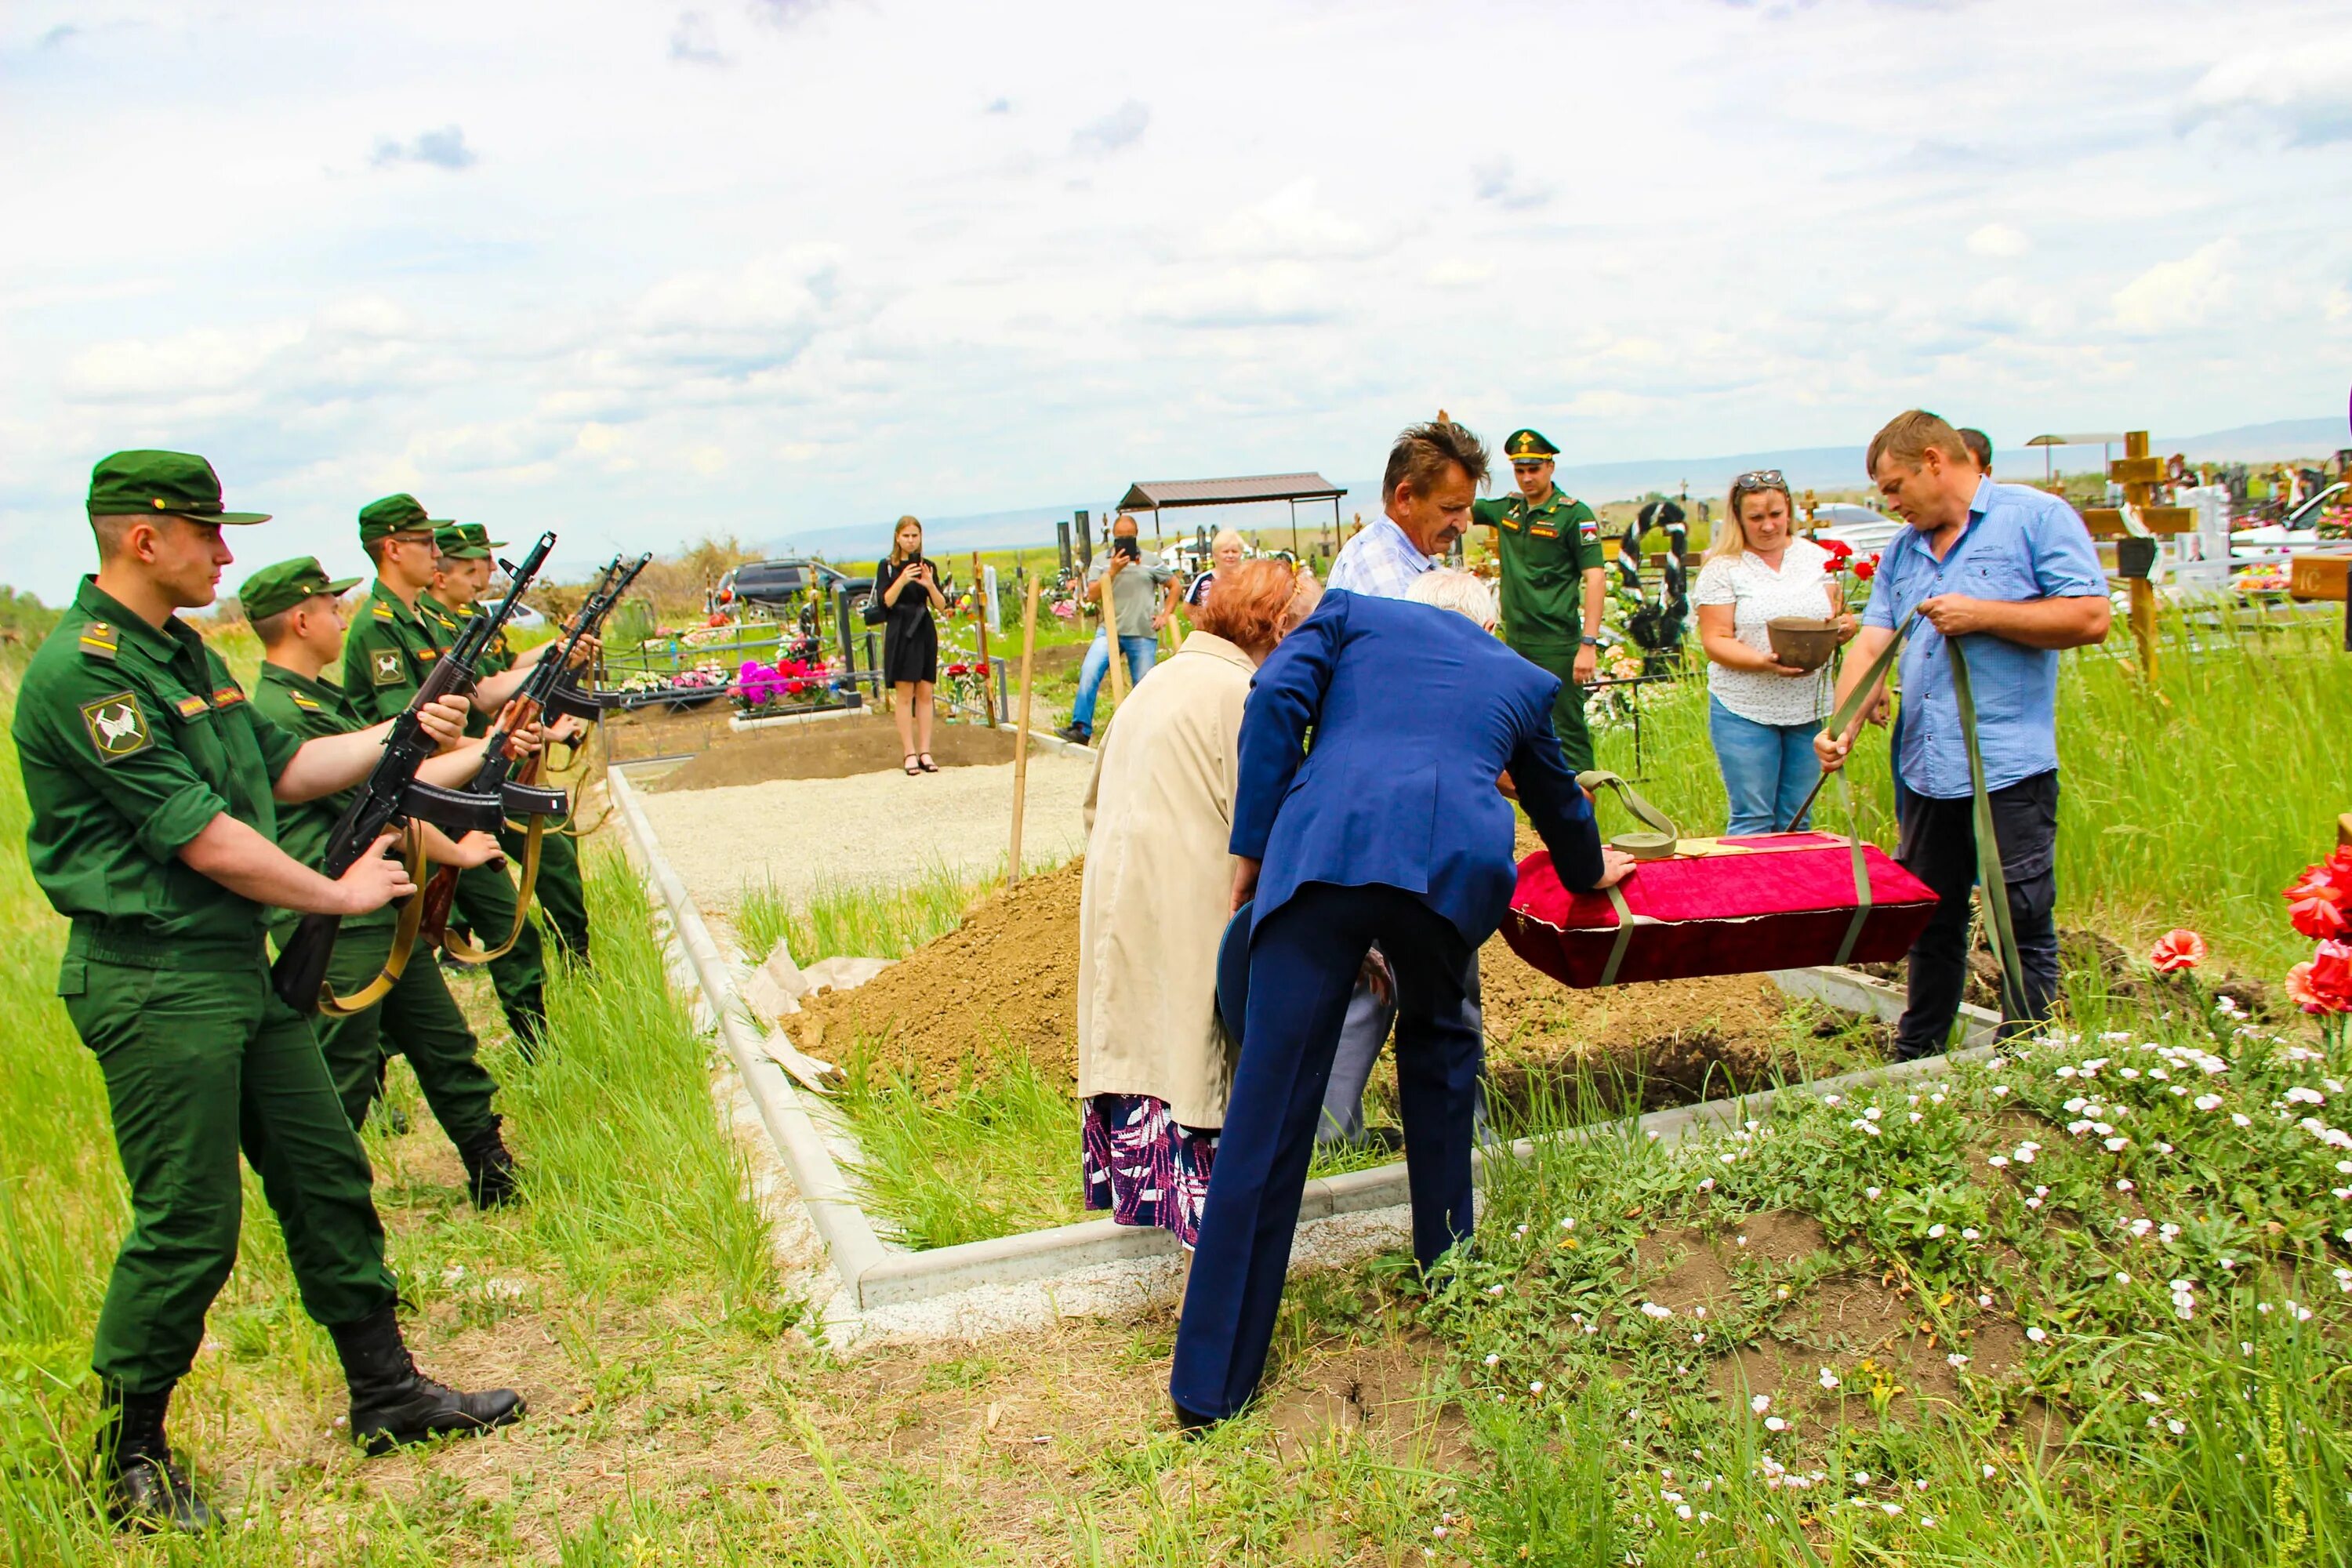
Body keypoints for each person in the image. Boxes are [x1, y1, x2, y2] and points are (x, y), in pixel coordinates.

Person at [14, 453, 526, 1534]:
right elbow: (204, 836)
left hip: (232, 973)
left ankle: (385, 1390)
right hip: (154, 980)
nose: (228, 554)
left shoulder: (185, 654)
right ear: (143, 540)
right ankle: (129, 1458)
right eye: (208, 533)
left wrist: (402, 740)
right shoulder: (84, 674)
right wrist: (334, 895)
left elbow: (286, 771)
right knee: (190, 1226)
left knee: (326, 1172)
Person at [1168, 570, 1634, 1428]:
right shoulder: (1521, 676)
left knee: (1269, 1111)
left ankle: (1210, 1388)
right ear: (1484, 618)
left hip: (1325, 855)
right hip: (1446, 867)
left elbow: (1272, 702)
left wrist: (1254, 850)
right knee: (1442, 1048)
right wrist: (1588, 869)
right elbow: (1558, 798)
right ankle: (1447, 1267)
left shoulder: (1349, 613)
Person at [1817, 410, 2109, 1059]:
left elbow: (2090, 616)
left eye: (1895, 487)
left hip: (2006, 766)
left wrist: (1981, 614)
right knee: (1930, 914)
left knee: (2020, 917)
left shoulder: (2035, 518)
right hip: (1925, 764)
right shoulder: (1904, 549)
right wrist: (1842, 724)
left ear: (1933, 461)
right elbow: (1871, 643)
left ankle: (2026, 1051)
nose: (1890, 504)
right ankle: (1919, 1051)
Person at [242, 556, 527, 1207]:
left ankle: (493, 1172)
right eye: (332, 607)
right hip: (337, 916)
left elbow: (392, 804)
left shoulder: (318, 701)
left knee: (445, 1044)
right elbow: (379, 798)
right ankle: (322, 1209)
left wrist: (485, 751)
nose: (342, 617)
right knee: (342, 1072)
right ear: (301, 618)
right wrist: (476, 757)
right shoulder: (281, 713)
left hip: (378, 902)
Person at [1076, 559, 1319, 1250]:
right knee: (1197, 1076)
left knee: (1148, 1062)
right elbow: (1275, 829)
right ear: (1279, 629)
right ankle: (1212, 1286)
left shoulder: (1157, 683)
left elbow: (1091, 809)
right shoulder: (1245, 695)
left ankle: (1194, 1260)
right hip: (1191, 911)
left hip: (1125, 910)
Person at [342, 495, 563, 1051]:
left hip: (448, 789)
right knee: (387, 965)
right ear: (392, 549)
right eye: (426, 542)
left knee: (478, 938)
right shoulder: (378, 628)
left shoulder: (417, 619)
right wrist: (487, 746)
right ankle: (371, 1084)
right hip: (407, 808)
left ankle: (538, 1049)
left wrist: (497, 743)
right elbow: (407, 733)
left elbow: (469, 702)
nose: (437, 553)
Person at [422, 524, 593, 966]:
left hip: (485, 759)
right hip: (462, 771)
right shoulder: (430, 625)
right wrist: (556, 656)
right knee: (531, 866)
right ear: (443, 576)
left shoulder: (466, 616)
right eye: (473, 569)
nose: (484, 578)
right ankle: (457, 937)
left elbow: (505, 667)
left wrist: (556, 649)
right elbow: (478, 693)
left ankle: (574, 955)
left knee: (555, 846)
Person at [1693, 470, 1856, 835]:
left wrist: (1844, 627)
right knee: (1754, 818)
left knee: (1798, 817)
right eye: (1756, 518)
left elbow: (1833, 616)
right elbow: (1715, 639)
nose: (1768, 526)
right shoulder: (1724, 568)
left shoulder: (1816, 559)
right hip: (1745, 708)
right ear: (1738, 520)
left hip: (1808, 706)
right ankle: (1751, 890)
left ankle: (1795, 892)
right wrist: (1763, 662)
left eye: (1776, 515)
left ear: (1789, 512)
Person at [1470, 428, 1609, 771]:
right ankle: (1541, 814)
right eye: (1520, 470)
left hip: (1557, 643)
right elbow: (1458, 507)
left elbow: (1595, 577)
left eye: (1534, 469)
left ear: (1550, 468)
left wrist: (1588, 643)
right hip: (1516, 642)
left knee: (1567, 729)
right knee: (1522, 728)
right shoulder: (1508, 510)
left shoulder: (1574, 515)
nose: (1527, 477)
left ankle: (1583, 812)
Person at [1057, 514, 1180, 745]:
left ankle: (1146, 735)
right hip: (1110, 629)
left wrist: (1166, 615)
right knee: (1090, 671)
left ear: (1136, 536)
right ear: (1113, 537)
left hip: (1142, 630)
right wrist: (1112, 571)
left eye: (1129, 538)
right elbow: (1091, 595)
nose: (1124, 542)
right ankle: (1081, 728)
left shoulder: (1151, 560)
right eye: (1120, 538)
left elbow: (1174, 585)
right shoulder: (1102, 561)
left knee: (1144, 686)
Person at [873, 516, 945, 774]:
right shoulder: (887, 567)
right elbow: (886, 602)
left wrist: (928, 584)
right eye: (906, 536)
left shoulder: (929, 566)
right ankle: (909, 753)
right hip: (901, 630)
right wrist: (902, 579)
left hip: (924, 628)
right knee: (905, 695)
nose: (911, 540)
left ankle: (925, 751)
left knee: (925, 693)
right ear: (897, 538)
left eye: (915, 536)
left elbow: (941, 605)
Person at [1183, 528, 1247, 608]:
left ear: (1241, 553)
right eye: (1225, 552)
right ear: (1215, 554)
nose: (1230, 556)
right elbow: (1188, 607)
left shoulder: (1248, 578)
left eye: (1234, 552)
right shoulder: (1204, 580)